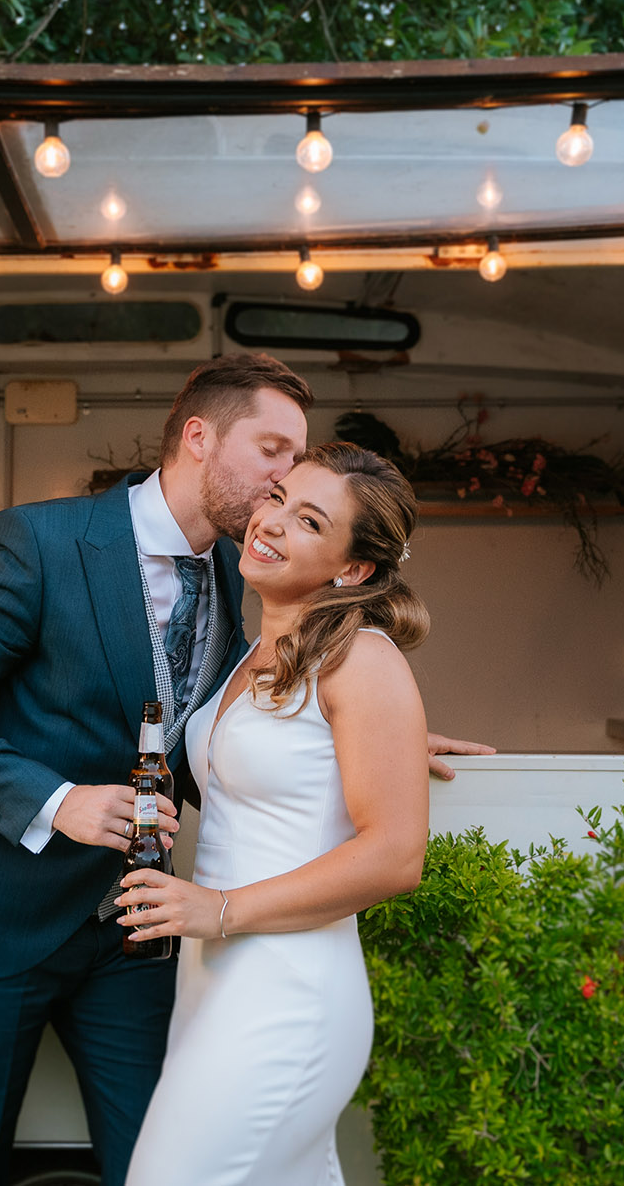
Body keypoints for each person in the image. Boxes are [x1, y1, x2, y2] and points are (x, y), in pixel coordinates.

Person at [0, 358, 491, 1186]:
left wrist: (378, 740)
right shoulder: (39, 541)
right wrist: (57, 802)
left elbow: (236, 726)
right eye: (274, 452)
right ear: (199, 437)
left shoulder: (236, 579)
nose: (286, 476)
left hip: (138, 932)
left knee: (162, 1165)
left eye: (298, 462)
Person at [117, 443, 434, 1186]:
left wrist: (219, 906)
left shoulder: (364, 659)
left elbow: (395, 854)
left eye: (310, 520)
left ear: (352, 569)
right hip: (213, 978)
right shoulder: (258, 646)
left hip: (287, 992)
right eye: (278, 496)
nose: (272, 521)